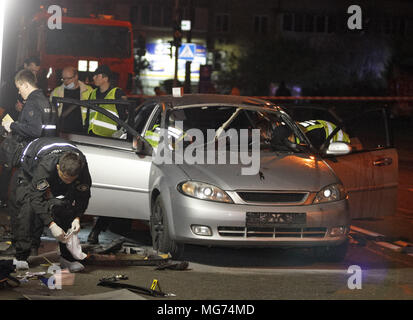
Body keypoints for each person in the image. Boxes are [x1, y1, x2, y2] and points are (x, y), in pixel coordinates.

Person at [8, 137, 91, 272]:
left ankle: (67, 258)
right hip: (30, 170)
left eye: (71, 180)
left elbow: (84, 197)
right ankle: (21, 256)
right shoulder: (45, 166)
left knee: (65, 207)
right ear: (58, 168)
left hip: (59, 168)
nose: (68, 182)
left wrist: (77, 218)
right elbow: (36, 199)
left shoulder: (81, 168)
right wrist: (52, 225)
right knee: (27, 208)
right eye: (65, 179)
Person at [0, 69, 57, 255]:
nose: (19, 92)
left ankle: (21, 249)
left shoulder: (33, 102)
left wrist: (13, 125)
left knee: (21, 203)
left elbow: (34, 130)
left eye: (19, 88)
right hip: (43, 160)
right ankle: (33, 243)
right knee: (36, 201)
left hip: (30, 160)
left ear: (25, 84)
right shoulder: (47, 101)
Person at [0, 57, 42, 208]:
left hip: (21, 134)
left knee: (13, 171)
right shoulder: (13, 85)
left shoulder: (36, 93)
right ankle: (3, 197)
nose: (34, 74)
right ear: (25, 67)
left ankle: (7, 199)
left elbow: (35, 128)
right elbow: (3, 105)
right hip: (10, 127)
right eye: (32, 70)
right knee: (6, 165)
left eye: (37, 71)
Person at [87, 65, 128, 137]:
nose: (94, 77)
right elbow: (88, 115)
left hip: (110, 138)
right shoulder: (93, 93)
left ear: (105, 78)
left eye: (97, 76)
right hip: (91, 135)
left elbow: (124, 117)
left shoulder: (117, 93)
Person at [50, 66, 93, 133]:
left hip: (82, 131)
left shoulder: (89, 91)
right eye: (63, 79)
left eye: (68, 78)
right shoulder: (56, 92)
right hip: (62, 131)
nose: (66, 82)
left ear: (76, 76)